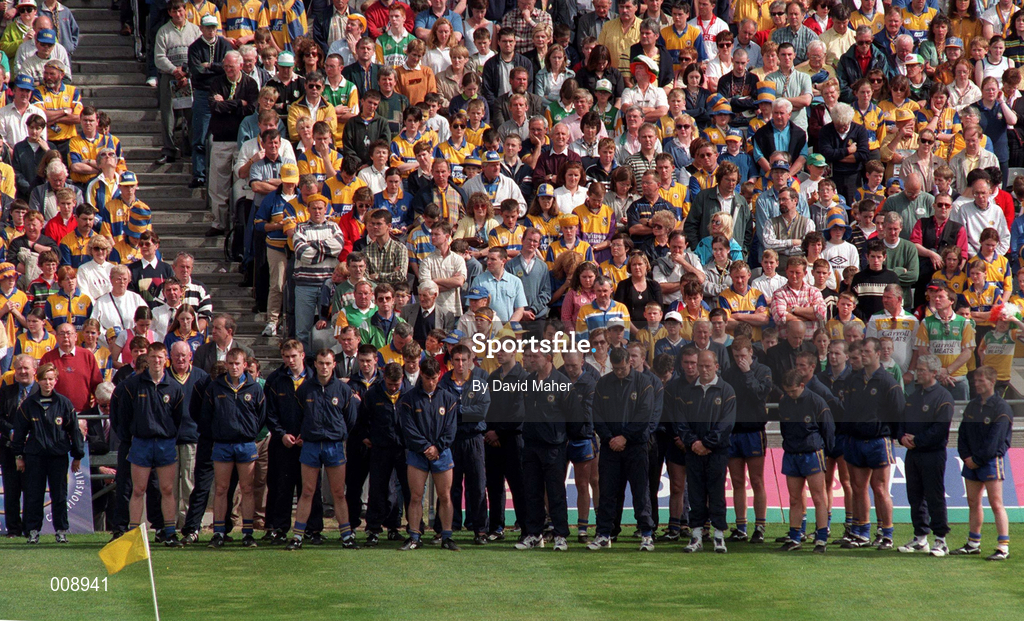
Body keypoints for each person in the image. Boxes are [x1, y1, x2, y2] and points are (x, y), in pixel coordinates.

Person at [286, 349, 360, 550]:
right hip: (310, 445)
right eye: (321, 363)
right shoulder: (305, 389)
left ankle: (346, 535)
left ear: (334, 364)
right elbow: (297, 415)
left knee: (338, 492)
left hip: (334, 446)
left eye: (328, 363)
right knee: (307, 491)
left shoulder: (344, 390)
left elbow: (351, 419)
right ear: (315, 364)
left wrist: (339, 433)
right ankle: (298, 536)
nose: (324, 367)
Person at [116, 344, 186, 547]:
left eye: (160, 357)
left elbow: (178, 418)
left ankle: (170, 532)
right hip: (141, 443)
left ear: (166, 359)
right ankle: (133, 534)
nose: (157, 361)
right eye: (153, 357)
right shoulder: (133, 385)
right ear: (148, 359)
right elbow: (124, 416)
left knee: (166, 488)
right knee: (138, 489)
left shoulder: (174, 387)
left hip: (164, 443)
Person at [840, 337, 904, 550]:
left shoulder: (888, 382)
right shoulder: (853, 380)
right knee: (858, 487)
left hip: (878, 441)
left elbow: (898, 413)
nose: (864, 355)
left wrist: (892, 435)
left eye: (868, 351)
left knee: (879, 488)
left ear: (878, 354)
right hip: (855, 440)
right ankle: (862, 532)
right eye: (862, 352)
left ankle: (887, 533)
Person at [669, 349, 735, 553]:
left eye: (708, 366)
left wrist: (707, 444)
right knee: (695, 493)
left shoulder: (726, 390)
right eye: (701, 366)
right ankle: (696, 535)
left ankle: (718, 535)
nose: (704, 370)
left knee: (716, 493)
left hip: (717, 452)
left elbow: (726, 424)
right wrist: (693, 443)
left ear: (716, 367)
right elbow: (681, 423)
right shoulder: (687, 392)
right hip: (693, 452)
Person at [11, 361, 83, 544]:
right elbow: (19, 433)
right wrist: (19, 456)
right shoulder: (29, 404)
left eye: (51, 379)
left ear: (56, 381)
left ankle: (61, 530)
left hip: (58, 456)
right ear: (39, 380)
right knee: (34, 494)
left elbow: (74, 430)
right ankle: (33, 530)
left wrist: (77, 455)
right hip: (35, 456)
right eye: (44, 380)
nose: (47, 383)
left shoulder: (64, 403)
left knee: (59, 495)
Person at [201, 348, 266, 548]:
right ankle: (219, 532)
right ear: (226, 364)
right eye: (230, 363)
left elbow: (262, 415)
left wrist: (250, 431)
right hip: (222, 444)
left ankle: (247, 533)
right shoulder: (216, 387)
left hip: (246, 444)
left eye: (238, 363)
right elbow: (206, 416)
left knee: (247, 489)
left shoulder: (255, 388)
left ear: (245, 365)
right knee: (221, 489)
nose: (234, 367)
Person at [515, 347, 573, 551]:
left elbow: (571, 415)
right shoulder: (528, 382)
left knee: (556, 492)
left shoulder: (562, 383)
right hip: (531, 445)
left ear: (548, 358)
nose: (530, 360)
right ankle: (534, 534)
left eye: (535, 356)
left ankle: (560, 535)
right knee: (532, 491)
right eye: (528, 356)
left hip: (554, 447)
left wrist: (563, 438)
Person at [398, 357, 459, 550]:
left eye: (434, 378)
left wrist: (438, 448)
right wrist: (426, 447)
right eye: (427, 378)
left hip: (442, 453)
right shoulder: (409, 398)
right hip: (418, 454)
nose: (431, 382)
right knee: (415, 496)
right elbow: (408, 429)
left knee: (445, 495)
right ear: (421, 375)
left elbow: (451, 429)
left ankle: (446, 536)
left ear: (439, 375)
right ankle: (415, 536)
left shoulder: (448, 398)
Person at [896, 353, 954, 556]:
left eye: (921, 370)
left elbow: (939, 430)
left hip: (933, 454)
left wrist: (917, 441)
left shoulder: (943, 397)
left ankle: (941, 540)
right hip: (913, 455)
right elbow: (901, 420)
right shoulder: (914, 395)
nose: (917, 373)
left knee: (934, 496)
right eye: (917, 369)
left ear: (934, 373)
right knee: (915, 496)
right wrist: (902, 437)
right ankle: (920, 537)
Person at [953, 365, 1012, 560]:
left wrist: (977, 459)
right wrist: (966, 457)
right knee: (973, 502)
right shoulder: (972, 405)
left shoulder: (1001, 408)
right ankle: (973, 543)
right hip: (971, 461)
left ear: (992, 382)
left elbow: (995, 440)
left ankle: (1003, 546)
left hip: (989, 462)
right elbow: (962, 434)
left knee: (996, 503)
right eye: (975, 381)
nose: (976, 384)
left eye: (981, 381)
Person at [776, 367, 834, 553]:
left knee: (818, 497)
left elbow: (828, 430)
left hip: (812, 453)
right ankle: (794, 537)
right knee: (794, 499)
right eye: (787, 391)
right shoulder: (785, 402)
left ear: (802, 385)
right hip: (792, 454)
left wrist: (826, 452)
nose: (790, 394)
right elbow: (784, 428)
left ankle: (821, 538)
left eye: (793, 391)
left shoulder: (816, 402)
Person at [722, 336, 772, 543]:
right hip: (734, 432)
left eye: (743, 355)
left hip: (754, 431)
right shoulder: (728, 373)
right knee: (737, 481)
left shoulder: (763, 371)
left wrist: (747, 373)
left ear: (751, 352)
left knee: (757, 480)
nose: (740, 360)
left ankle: (759, 526)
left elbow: (761, 394)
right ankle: (741, 525)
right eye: (736, 356)